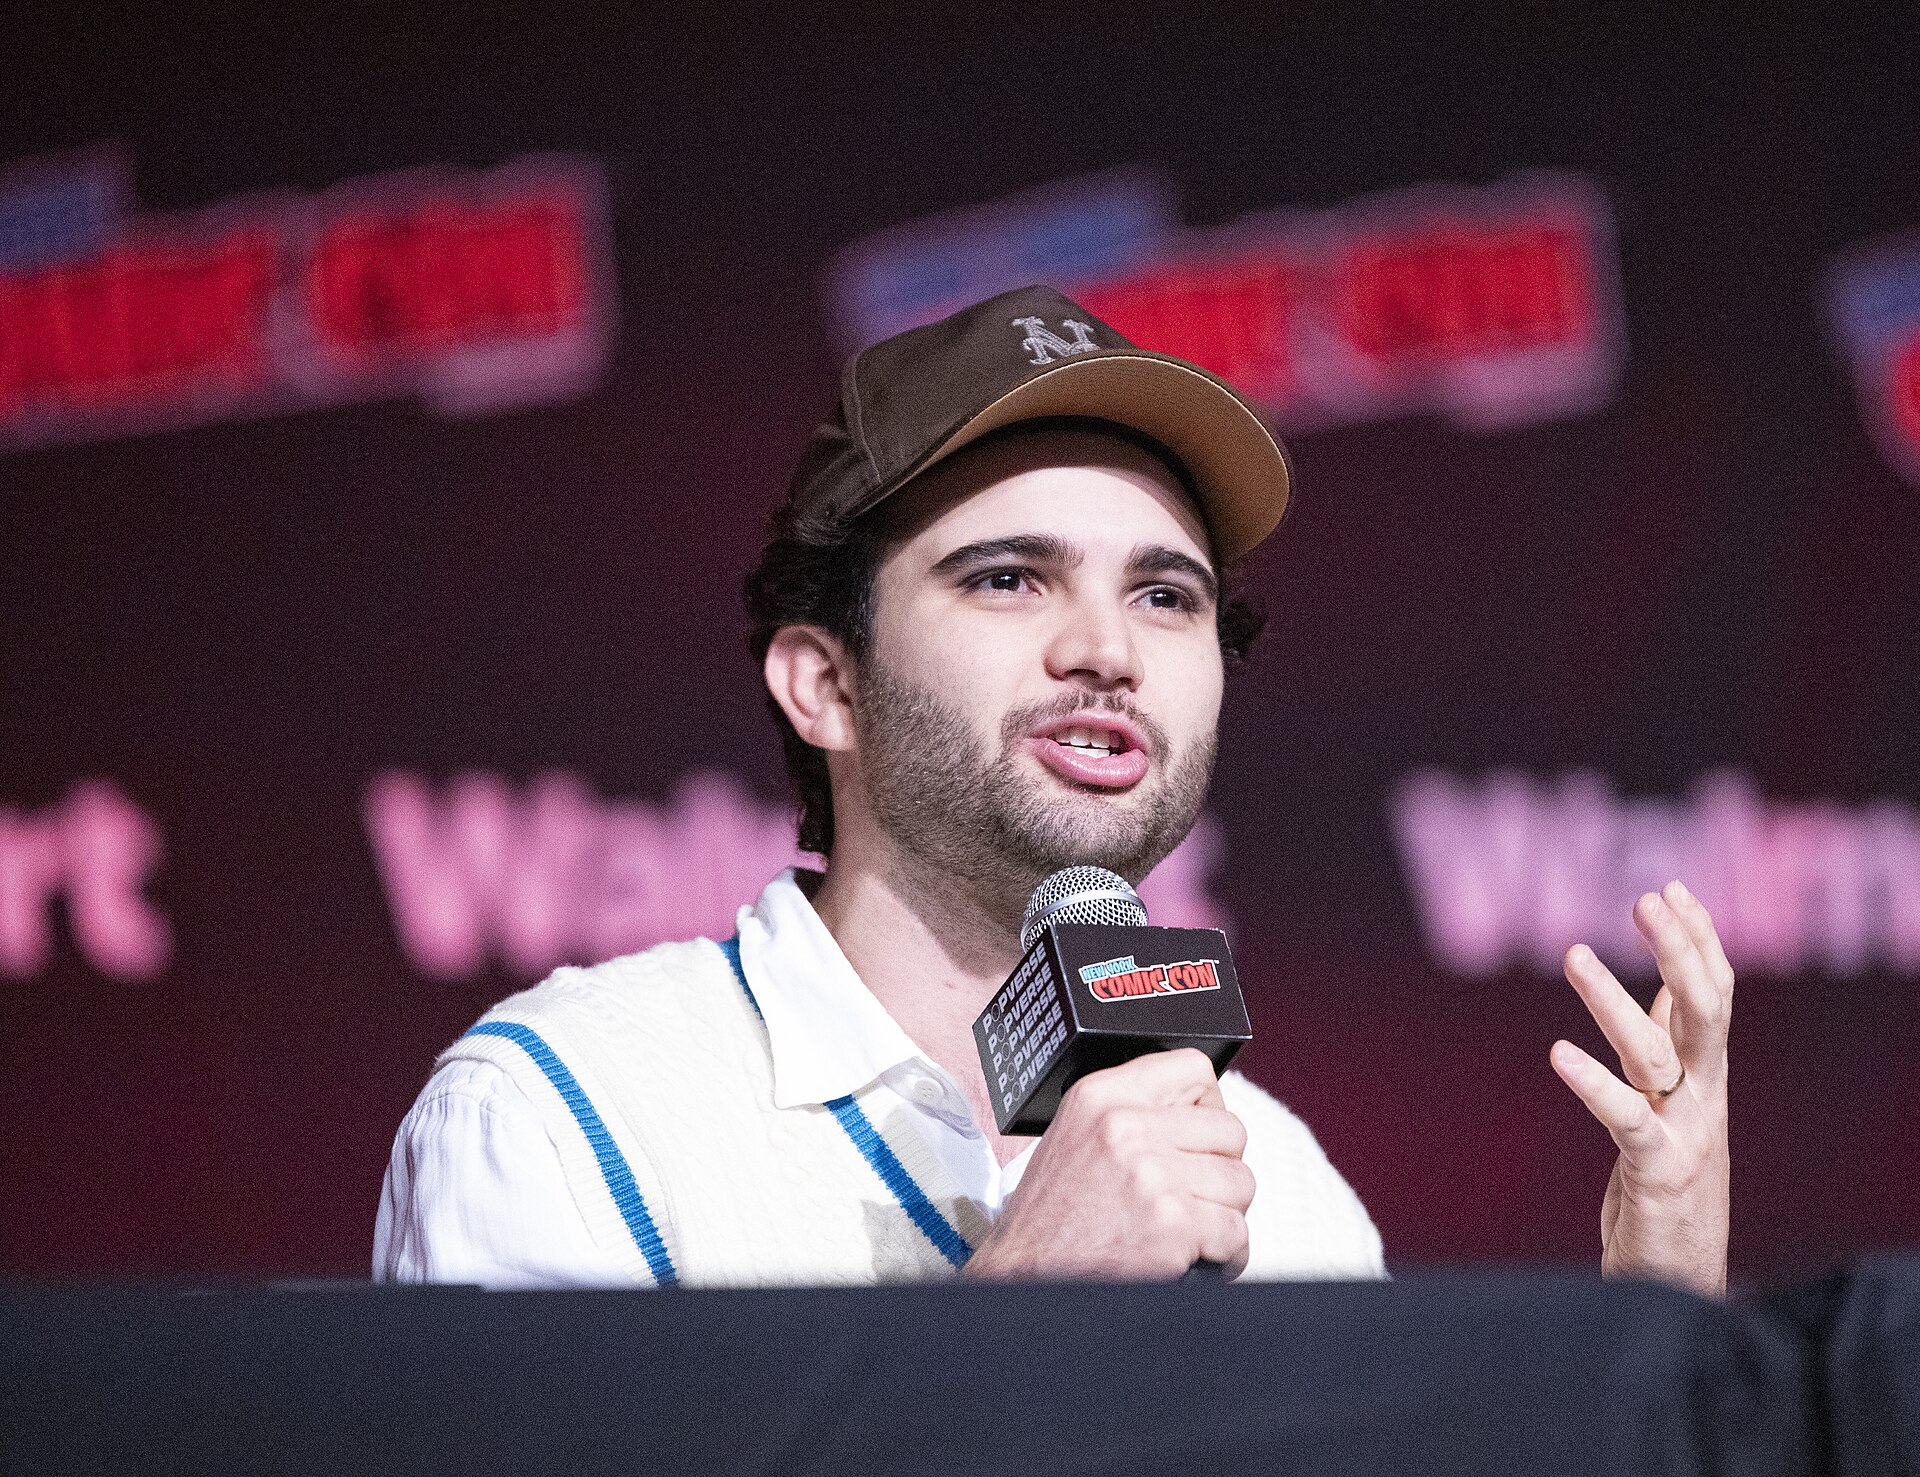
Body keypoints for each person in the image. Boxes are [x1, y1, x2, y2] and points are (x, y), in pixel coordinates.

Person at [374, 285, 1732, 1293]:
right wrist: (1023, 1310)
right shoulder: (569, 1113)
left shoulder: (1283, 1185)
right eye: (1011, 576)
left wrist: (1657, 1322)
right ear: (821, 684)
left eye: (1164, 593)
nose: (1107, 649)